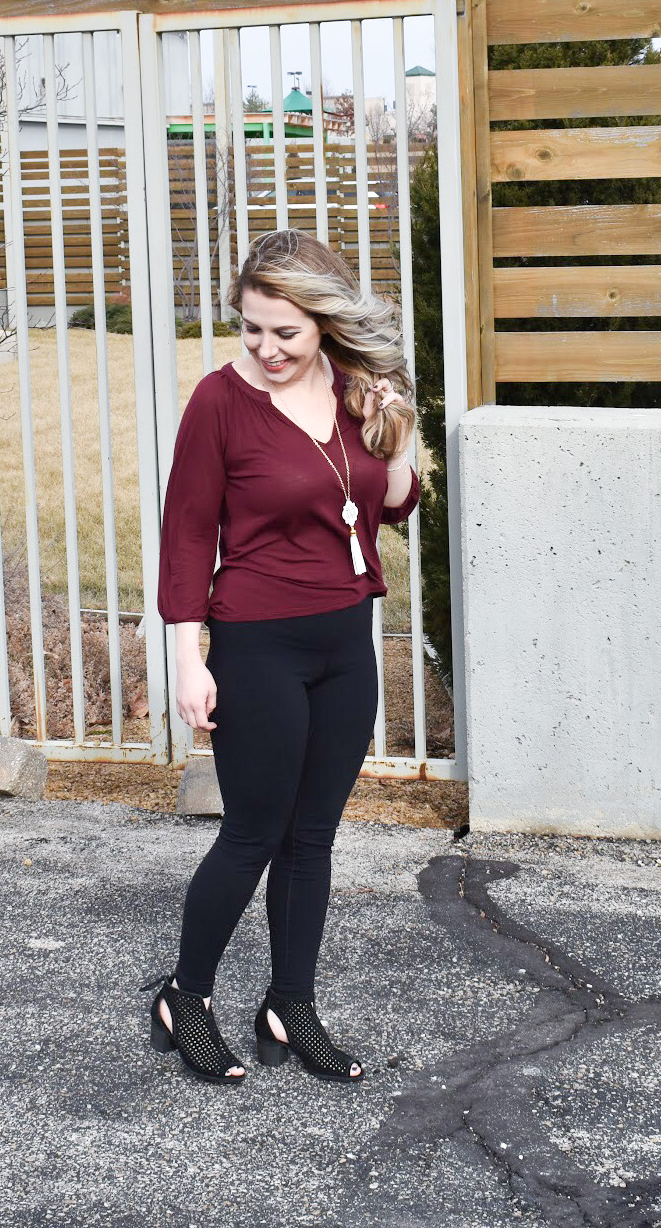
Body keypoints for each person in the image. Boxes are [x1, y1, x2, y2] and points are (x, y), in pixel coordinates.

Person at [141, 229, 421, 1086]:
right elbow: (186, 535)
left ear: (323, 324)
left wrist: (397, 431)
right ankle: (184, 997)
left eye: (285, 333)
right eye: (253, 329)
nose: (265, 348)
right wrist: (190, 659)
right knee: (253, 834)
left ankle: (288, 1004)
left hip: (345, 641)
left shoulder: (354, 393)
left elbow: (392, 503)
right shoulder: (219, 403)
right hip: (258, 641)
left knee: (314, 837)